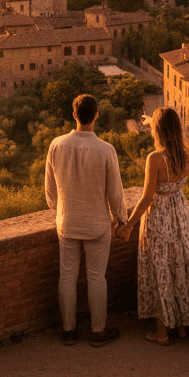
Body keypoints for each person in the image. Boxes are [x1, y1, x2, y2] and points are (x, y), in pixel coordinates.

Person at [116, 106, 189, 345]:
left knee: (159, 271)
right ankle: (179, 324)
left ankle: (162, 332)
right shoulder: (184, 155)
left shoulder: (155, 158)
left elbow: (148, 197)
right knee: (178, 269)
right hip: (179, 218)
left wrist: (129, 225)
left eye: (154, 128)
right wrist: (152, 120)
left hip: (159, 219)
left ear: (158, 131)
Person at [45, 93, 126, 347]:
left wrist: (61, 211)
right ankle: (97, 331)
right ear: (97, 115)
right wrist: (120, 220)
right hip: (97, 225)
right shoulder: (106, 150)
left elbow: (50, 190)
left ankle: (69, 331)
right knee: (96, 278)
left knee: (67, 276)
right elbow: (115, 193)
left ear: (74, 114)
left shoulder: (56, 145)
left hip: (67, 222)